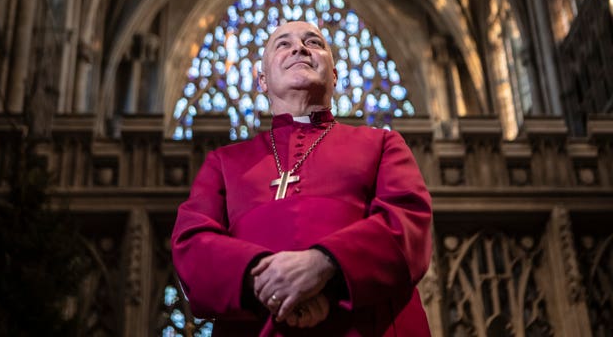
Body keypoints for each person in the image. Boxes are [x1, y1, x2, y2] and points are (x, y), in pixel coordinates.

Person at [171, 21, 432, 336]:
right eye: (283, 44)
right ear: (263, 80)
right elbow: (191, 245)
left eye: (314, 42)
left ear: (334, 76)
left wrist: (325, 266)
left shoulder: (382, 144)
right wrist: (265, 280)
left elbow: (408, 224)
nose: (300, 48)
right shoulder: (224, 163)